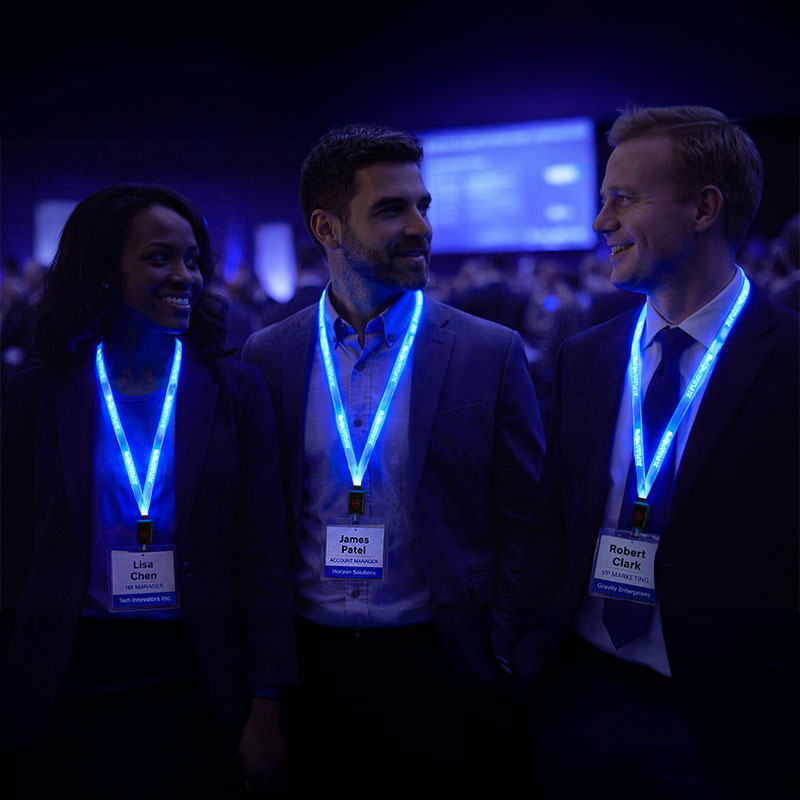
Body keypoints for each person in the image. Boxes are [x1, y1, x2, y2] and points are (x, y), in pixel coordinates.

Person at [241, 124, 545, 798]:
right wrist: (265, 687)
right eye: (390, 209)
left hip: (443, 662)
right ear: (326, 227)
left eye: (423, 206)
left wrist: (498, 651)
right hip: (311, 667)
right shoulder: (268, 357)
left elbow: (527, 517)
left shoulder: (487, 352)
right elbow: (257, 538)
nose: (419, 228)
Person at [511, 105, 799, 798]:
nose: (600, 222)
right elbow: (551, 523)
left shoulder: (790, 358)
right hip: (576, 693)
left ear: (704, 208)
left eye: (623, 199)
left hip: (728, 723)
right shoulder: (585, 358)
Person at [0, 184, 297, 798]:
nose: (184, 275)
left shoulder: (236, 391)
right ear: (104, 271)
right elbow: (11, 550)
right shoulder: (37, 396)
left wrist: (267, 705)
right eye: (159, 257)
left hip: (198, 676)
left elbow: (263, 558)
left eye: (192, 259)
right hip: (65, 678)